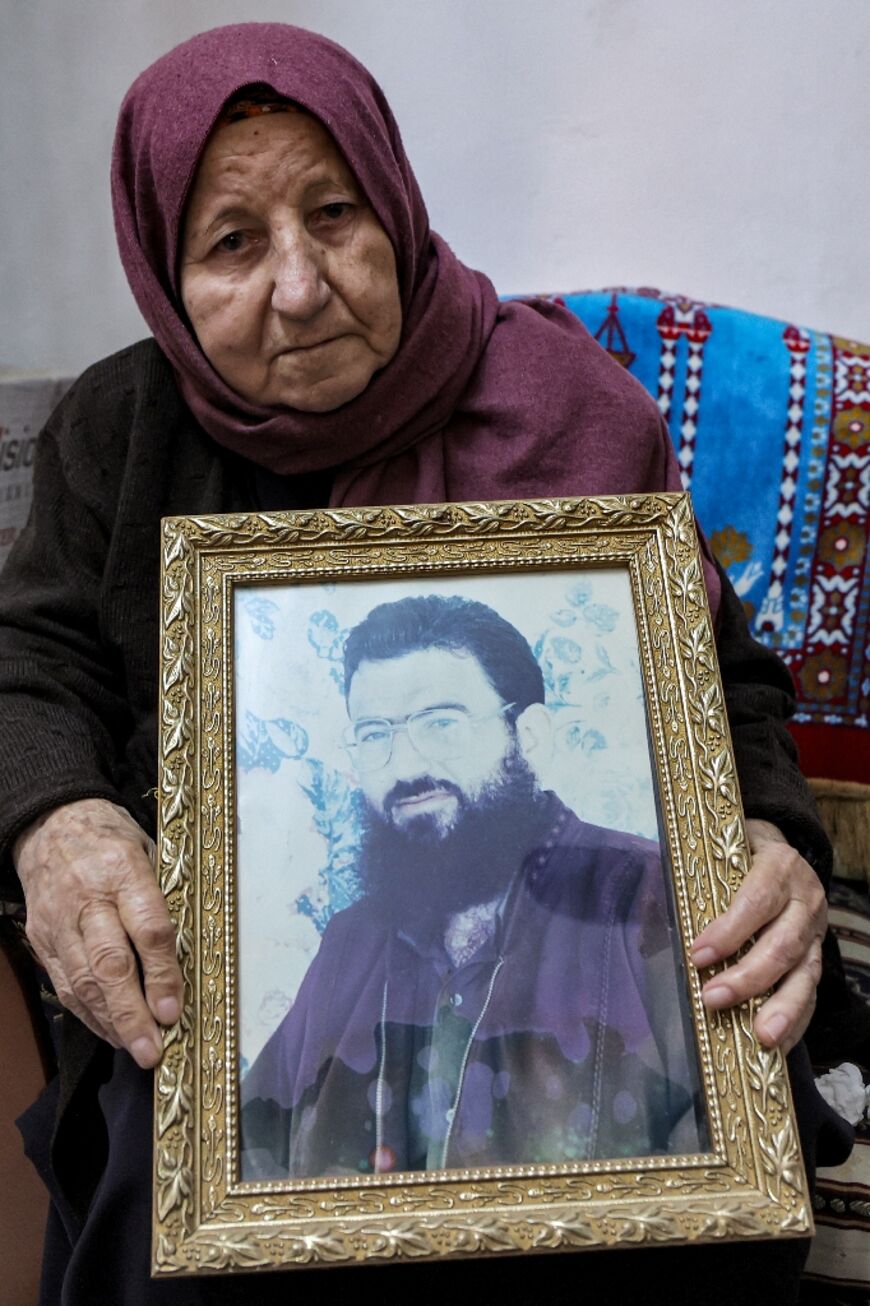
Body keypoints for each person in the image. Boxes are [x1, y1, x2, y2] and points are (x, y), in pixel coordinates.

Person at [0, 20, 845, 1305]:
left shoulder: (576, 411)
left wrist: (775, 830)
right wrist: (58, 815)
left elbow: (723, 676)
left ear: (395, 205)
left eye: (333, 213)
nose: (300, 285)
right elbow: (31, 659)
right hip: (200, 992)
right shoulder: (118, 436)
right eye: (232, 242)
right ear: (165, 274)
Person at [241, 594, 707, 1178]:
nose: (405, 766)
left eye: (442, 724)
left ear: (529, 737)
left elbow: (728, 1166)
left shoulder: (649, 891)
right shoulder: (352, 938)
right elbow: (249, 1152)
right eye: (374, 734)